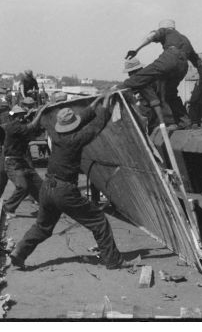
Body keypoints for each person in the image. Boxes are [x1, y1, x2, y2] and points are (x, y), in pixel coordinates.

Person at [10, 93, 126, 270]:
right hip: (64, 191)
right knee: (99, 221)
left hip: (47, 187)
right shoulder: (75, 139)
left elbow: (82, 120)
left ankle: (19, 252)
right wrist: (105, 106)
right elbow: (95, 127)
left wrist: (94, 103)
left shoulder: (55, 133)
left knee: (42, 227)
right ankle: (112, 260)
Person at [122, 19, 202, 128]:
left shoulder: (166, 31)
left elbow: (151, 36)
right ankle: (185, 122)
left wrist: (136, 50)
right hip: (183, 66)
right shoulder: (185, 40)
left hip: (170, 57)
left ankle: (117, 89)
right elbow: (198, 62)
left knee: (143, 75)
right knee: (170, 94)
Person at [1, 103, 48, 218]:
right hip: (13, 163)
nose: (21, 117)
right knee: (23, 187)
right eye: (20, 115)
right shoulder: (12, 127)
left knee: (40, 186)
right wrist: (40, 114)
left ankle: (46, 209)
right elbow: (31, 127)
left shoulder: (20, 126)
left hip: (22, 162)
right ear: (16, 116)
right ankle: (7, 208)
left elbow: (34, 132)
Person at [122, 57, 166, 131]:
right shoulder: (142, 80)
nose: (129, 75)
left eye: (131, 73)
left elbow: (155, 103)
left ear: (137, 71)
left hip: (150, 116)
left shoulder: (143, 83)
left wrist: (162, 123)